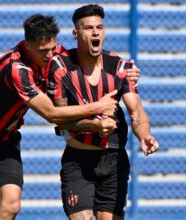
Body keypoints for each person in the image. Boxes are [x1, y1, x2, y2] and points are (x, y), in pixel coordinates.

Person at [0, 14, 126, 219]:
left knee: (10, 206)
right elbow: (51, 114)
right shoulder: (16, 69)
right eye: (43, 51)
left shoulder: (55, 53)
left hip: (5, 142)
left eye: (52, 48)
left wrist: (127, 70)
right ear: (28, 45)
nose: (50, 55)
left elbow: (87, 60)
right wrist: (98, 106)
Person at [47, 4, 159, 220]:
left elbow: (136, 112)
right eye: (88, 28)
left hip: (113, 159)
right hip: (78, 159)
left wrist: (145, 135)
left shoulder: (119, 67)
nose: (95, 32)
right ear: (75, 33)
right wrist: (94, 125)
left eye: (99, 27)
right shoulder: (61, 67)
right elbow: (60, 118)